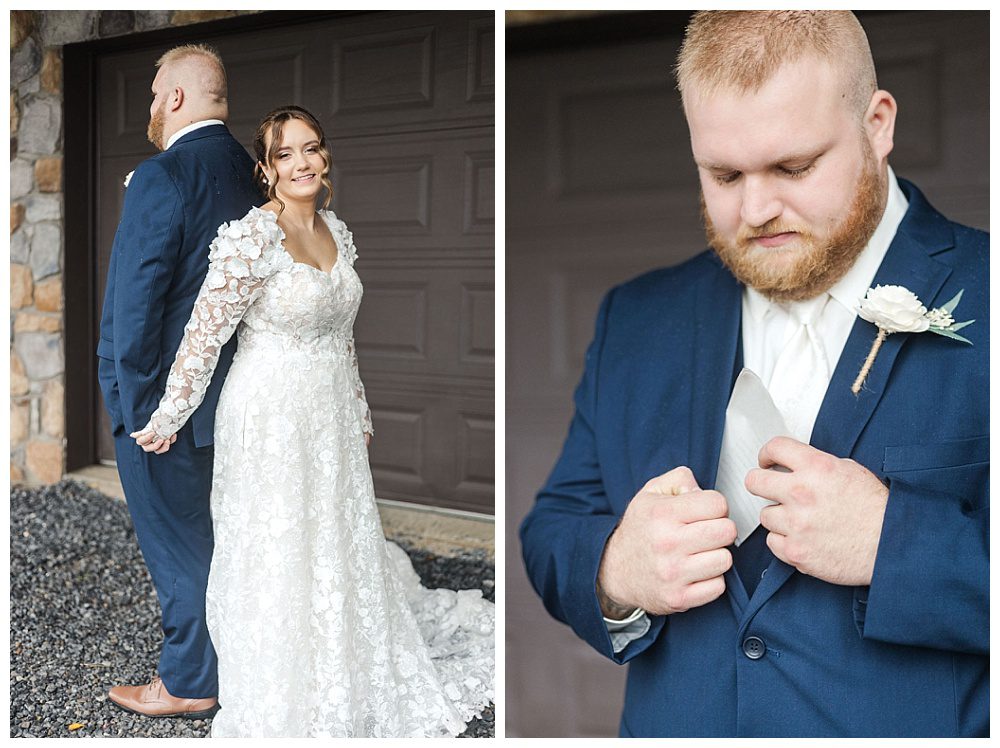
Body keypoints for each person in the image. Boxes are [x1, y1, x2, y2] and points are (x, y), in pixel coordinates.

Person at [520, 11, 987, 738]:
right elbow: (552, 530)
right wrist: (616, 569)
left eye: (794, 168)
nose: (756, 208)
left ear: (878, 123)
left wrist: (895, 545)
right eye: (724, 174)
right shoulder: (636, 318)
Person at [127, 105, 493, 737]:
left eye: (312, 149)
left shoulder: (337, 232)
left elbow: (343, 337)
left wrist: (359, 405)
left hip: (329, 415)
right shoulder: (249, 239)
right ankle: (285, 681)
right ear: (267, 169)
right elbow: (203, 338)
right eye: (286, 153)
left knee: (331, 536)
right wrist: (170, 414)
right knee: (280, 542)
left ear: (325, 158)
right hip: (269, 414)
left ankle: (341, 660)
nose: (301, 163)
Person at [97, 44, 260, 718]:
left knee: (180, 546)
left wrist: (141, 412)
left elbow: (136, 305)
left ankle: (191, 683)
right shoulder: (255, 174)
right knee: (224, 539)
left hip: (168, 404)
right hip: (243, 400)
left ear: (175, 99)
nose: (151, 107)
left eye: (154, 94)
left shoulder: (164, 175)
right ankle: (240, 660)